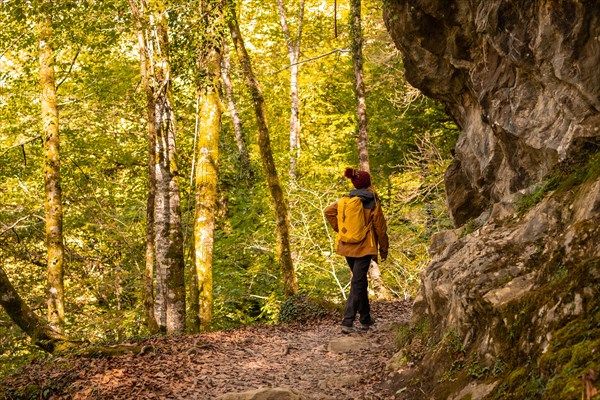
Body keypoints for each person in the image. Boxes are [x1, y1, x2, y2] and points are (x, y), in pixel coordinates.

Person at [324, 167, 389, 334]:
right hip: (364, 246)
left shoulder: (346, 200)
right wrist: (384, 249)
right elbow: (380, 228)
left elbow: (328, 212)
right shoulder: (372, 201)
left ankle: (365, 318)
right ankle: (347, 321)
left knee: (359, 282)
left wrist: (342, 230)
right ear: (368, 183)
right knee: (358, 282)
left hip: (347, 245)